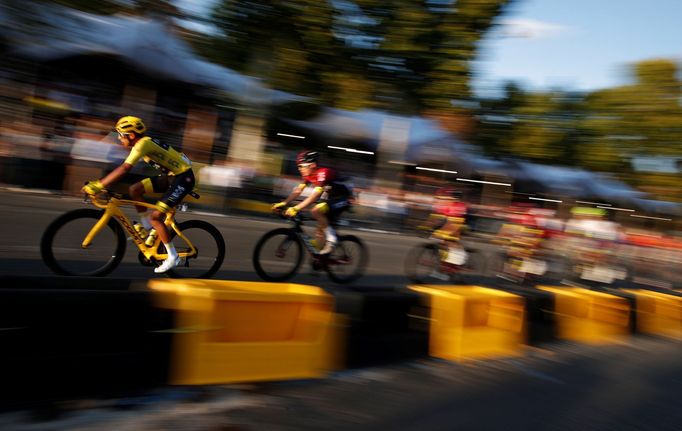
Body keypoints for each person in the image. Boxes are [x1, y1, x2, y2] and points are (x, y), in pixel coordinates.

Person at [82, 116, 195, 273]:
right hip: (173, 176)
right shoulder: (143, 143)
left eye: (121, 135)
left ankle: (172, 256)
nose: (119, 138)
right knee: (135, 190)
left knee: (156, 216)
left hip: (183, 178)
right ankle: (147, 226)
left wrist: (99, 185)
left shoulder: (142, 144)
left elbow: (124, 169)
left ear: (132, 135)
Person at [272, 150, 351, 255]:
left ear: (312, 165)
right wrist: (284, 203)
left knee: (316, 211)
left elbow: (315, 195)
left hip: (343, 198)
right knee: (319, 230)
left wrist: (296, 208)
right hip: (331, 197)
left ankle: (332, 239)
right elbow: (298, 191)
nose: (299, 169)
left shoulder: (323, 172)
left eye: (301, 166)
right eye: (298, 166)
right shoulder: (308, 175)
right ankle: (321, 256)